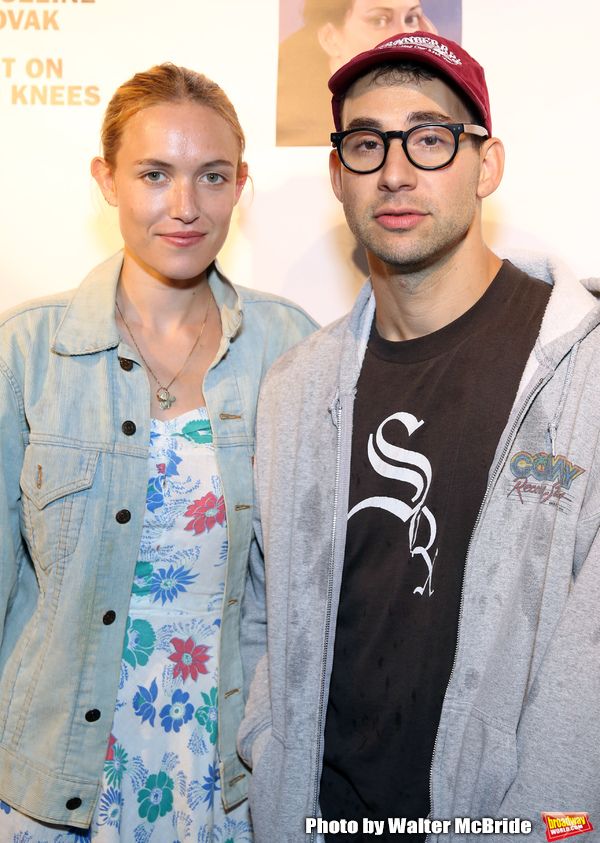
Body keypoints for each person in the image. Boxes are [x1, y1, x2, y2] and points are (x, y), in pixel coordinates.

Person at [240, 31, 600, 841]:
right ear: (338, 174)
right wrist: (269, 757)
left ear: (487, 163)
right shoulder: (295, 387)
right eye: (367, 144)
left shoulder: (582, 369)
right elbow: (268, 611)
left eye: (431, 139)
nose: (396, 171)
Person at [0, 64, 316, 841]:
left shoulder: (293, 347)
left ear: (241, 184)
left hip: (227, 772)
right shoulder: (28, 350)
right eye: (154, 174)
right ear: (106, 180)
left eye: (212, 176)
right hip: (54, 775)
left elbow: (311, 598)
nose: (184, 206)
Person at [277, 0, 438, 146]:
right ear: (330, 38)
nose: (404, 35)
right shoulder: (300, 110)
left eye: (411, 18)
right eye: (379, 21)